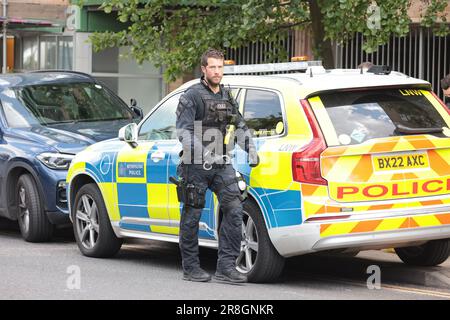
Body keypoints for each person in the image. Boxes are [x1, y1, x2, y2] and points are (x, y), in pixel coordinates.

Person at [175, 48, 259, 283]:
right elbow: (184, 131)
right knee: (192, 215)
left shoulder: (225, 95)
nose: (217, 71)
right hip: (195, 164)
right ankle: (191, 268)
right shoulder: (191, 95)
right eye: (212, 67)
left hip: (221, 163)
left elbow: (239, 124)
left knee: (234, 210)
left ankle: (226, 267)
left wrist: (250, 148)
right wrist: (205, 154)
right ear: (204, 69)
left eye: (220, 67)